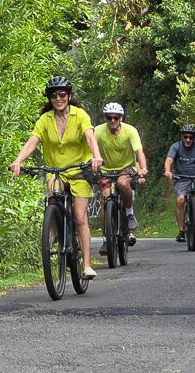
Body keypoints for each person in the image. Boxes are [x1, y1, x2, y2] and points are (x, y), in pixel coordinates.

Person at [9, 76, 104, 280]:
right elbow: (32, 142)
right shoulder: (46, 120)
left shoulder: (80, 116)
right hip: (56, 170)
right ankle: (53, 230)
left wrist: (96, 156)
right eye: (54, 95)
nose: (58, 98)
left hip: (79, 169)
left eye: (62, 94)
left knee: (80, 217)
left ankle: (86, 264)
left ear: (69, 96)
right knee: (53, 195)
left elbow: (89, 136)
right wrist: (18, 161)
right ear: (50, 99)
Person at [93, 102, 148, 255]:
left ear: (121, 118)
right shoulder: (98, 131)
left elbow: (139, 151)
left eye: (115, 118)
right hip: (106, 170)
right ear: (105, 118)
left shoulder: (130, 131)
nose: (112, 121)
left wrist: (143, 168)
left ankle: (129, 213)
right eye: (109, 118)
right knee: (105, 199)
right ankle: (106, 239)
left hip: (126, 168)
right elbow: (90, 149)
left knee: (123, 183)